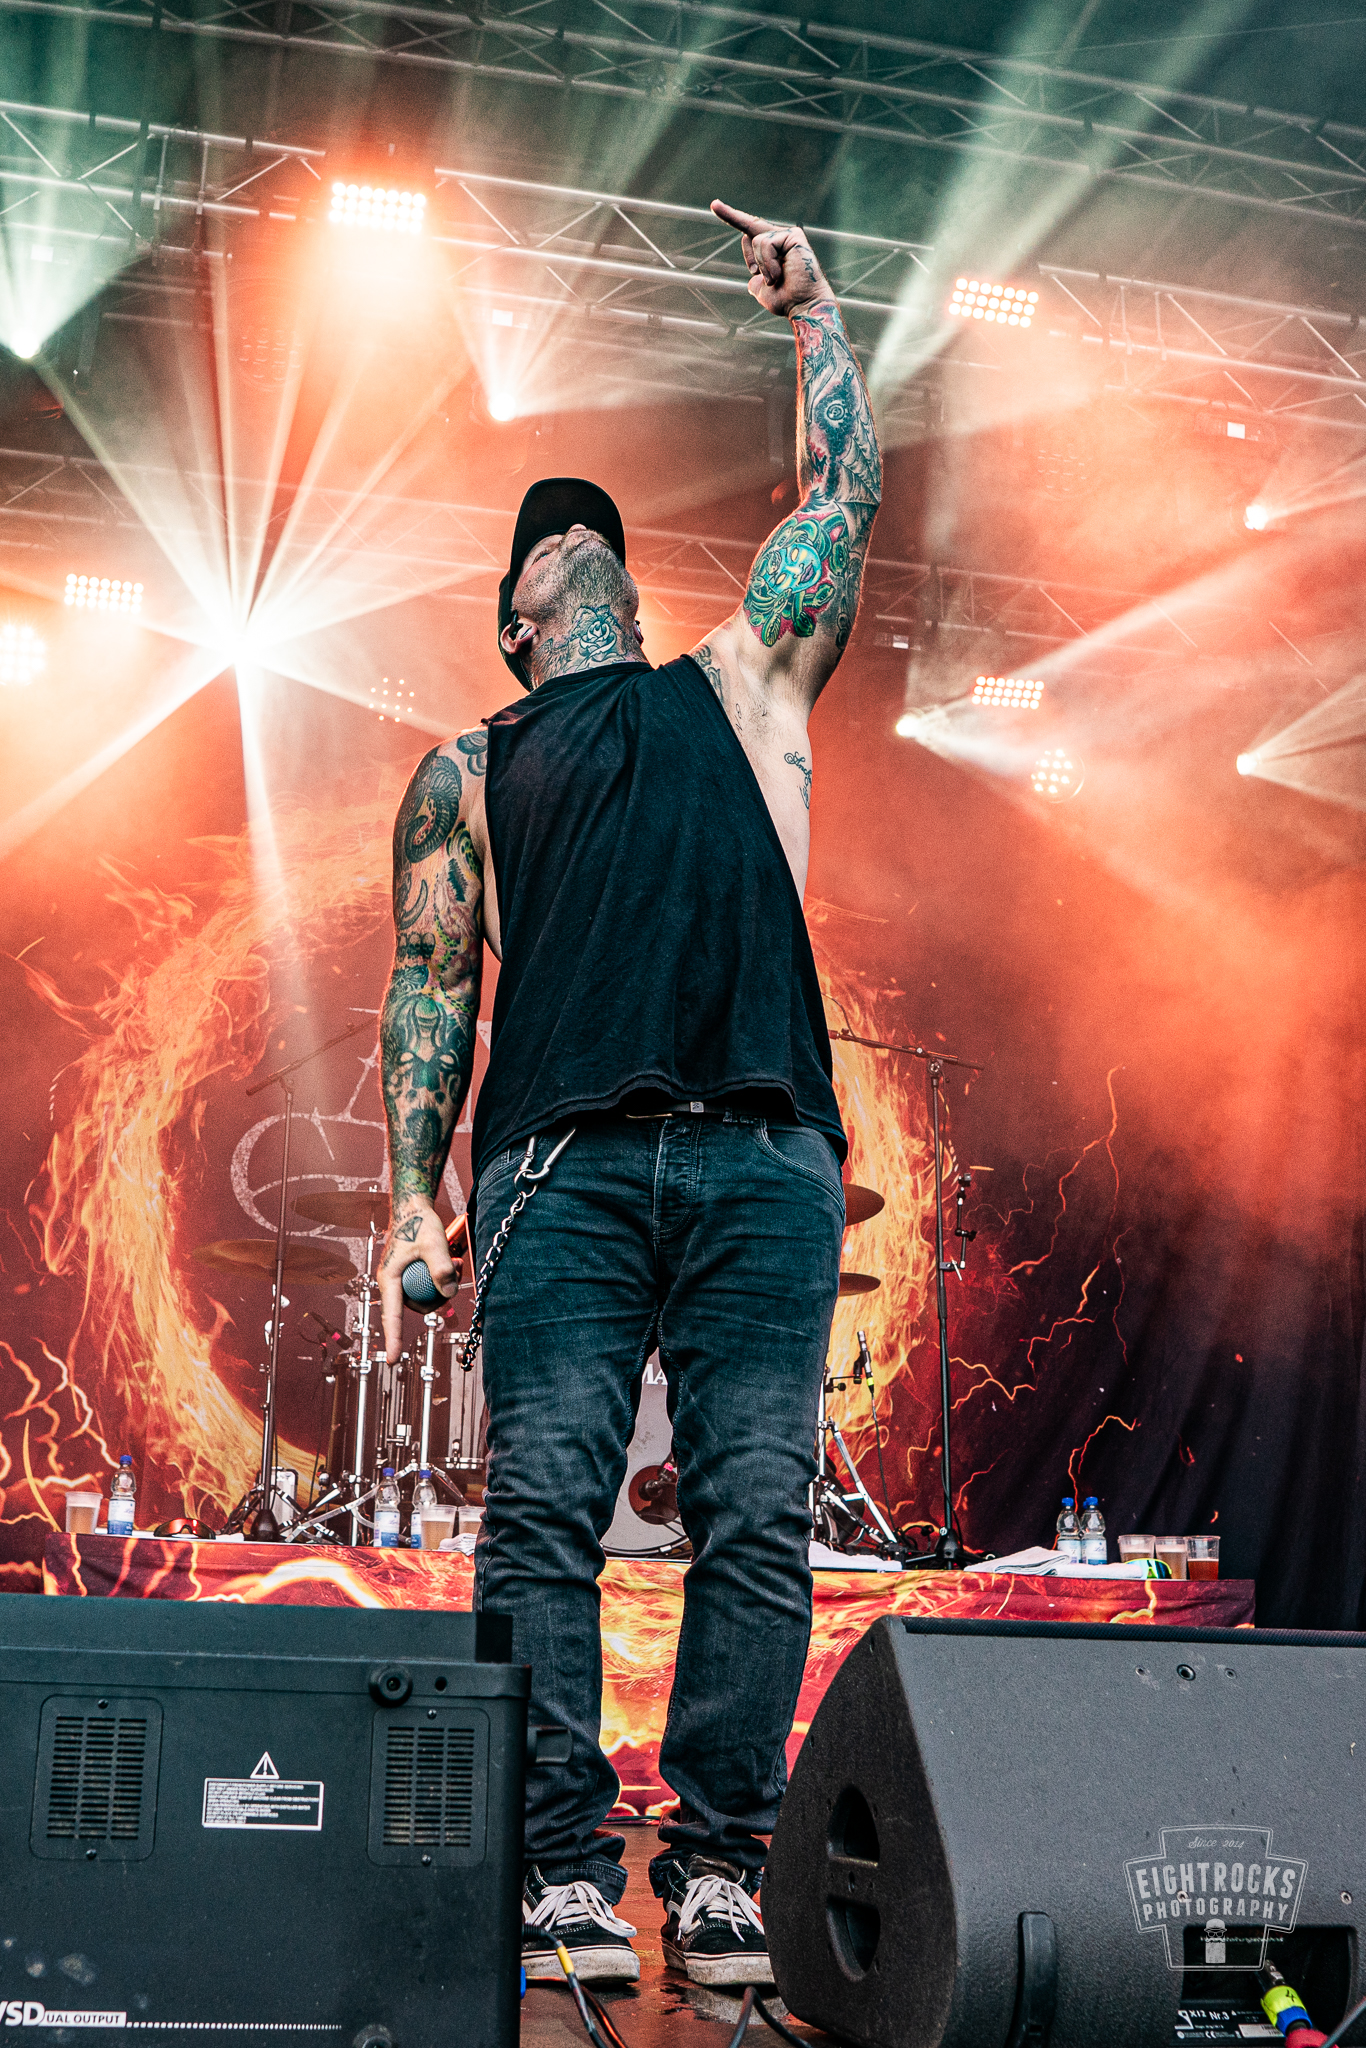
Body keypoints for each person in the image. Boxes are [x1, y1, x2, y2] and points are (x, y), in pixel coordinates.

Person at [377, 197, 881, 1989]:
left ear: (620, 583)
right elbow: (429, 987)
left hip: (760, 1149)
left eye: (583, 529)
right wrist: (410, 1193)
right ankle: (562, 1868)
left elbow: (837, 511)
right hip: (558, 1172)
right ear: (515, 621)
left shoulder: (740, 684)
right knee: (542, 1513)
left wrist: (816, 319)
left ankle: (726, 1864)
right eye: (537, 540)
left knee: (753, 1509)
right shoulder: (468, 764)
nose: (564, 535)